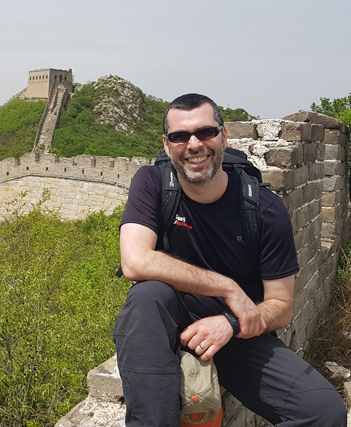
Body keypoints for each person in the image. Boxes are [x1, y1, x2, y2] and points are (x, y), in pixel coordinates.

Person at [113, 93, 346, 427]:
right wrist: (227, 287)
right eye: (180, 137)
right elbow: (134, 261)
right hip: (164, 319)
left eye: (205, 133)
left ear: (223, 136)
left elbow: (281, 306)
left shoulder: (264, 210)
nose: (193, 144)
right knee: (146, 296)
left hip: (234, 333)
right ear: (167, 145)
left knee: (325, 412)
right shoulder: (151, 183)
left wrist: (231, 322)